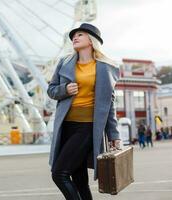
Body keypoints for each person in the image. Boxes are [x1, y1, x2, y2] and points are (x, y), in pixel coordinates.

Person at [47, 23, 121, 200]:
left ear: (91, 40)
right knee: (79, 179)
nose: (75, 37)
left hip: (87, 127)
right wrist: (65, 89)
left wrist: (114, 135)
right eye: (74, 35)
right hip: (66, 126)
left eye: (80, 34)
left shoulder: (105, 67)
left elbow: (109, 104)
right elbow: (51, 90)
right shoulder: (64, 62)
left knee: (59, 173)